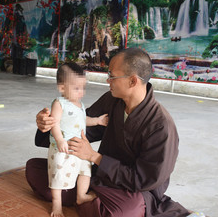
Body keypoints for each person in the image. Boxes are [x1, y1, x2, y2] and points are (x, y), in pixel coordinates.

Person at [26, 48, 190, 217]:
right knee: (34, 169)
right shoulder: (112, 100)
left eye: (112, 76)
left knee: (125, 211)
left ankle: (88, 199)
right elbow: (79, 129)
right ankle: (89, 199)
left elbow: (145, 180)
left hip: (132, 191)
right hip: (100, 177)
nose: (108, 80)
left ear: (132, 81)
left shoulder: (161, 126)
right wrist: (50, 124)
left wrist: (94, 157)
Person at [49, 62, 108, 217]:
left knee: (85, 170)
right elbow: (54, 123)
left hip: (79, 148)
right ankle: (57, 204)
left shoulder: (79, 105)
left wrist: (97, 121)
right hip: (62, 148)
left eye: (83, 87)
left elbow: (83, 119)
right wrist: (60, 140)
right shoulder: (59, 103)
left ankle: (81, 196)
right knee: (59, 175)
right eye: (76, 88)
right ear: (62, 88)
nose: (81, 92)